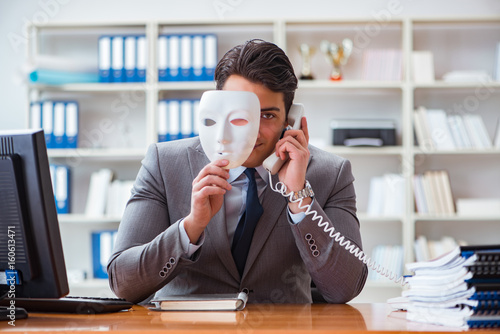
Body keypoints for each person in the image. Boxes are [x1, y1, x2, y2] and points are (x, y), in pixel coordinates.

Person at [107, 39, 368, 304]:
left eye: (266, 116)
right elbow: (123, 284)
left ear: (291, 120)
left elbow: (344, 288)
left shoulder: (331, 173)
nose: (251, 131)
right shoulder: (164, 164)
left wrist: (300, 199)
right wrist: (191, 227)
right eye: (239, 115)